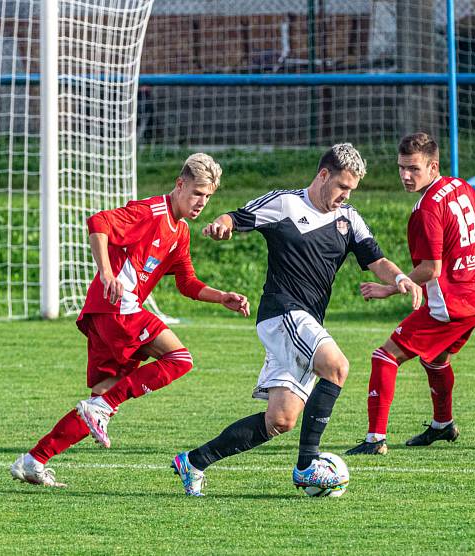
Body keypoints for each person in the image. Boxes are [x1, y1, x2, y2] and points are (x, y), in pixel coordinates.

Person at [171, 143, 423, 496]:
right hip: (283, 313)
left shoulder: (348, 220)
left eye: (351, 190)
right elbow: (238, 216)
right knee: (336, 366)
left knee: (281, 420)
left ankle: (194, 461)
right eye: (342, 187)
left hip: (306, 323)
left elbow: (376, 260)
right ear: (323, 175)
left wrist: (400, 279)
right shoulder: (285, 203)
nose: (345, 195)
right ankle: (307, 466)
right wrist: (220, 225)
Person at [10, 153, 250, 487]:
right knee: (179, 359)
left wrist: (220, 296)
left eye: (208, 197)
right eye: (197, 193)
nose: (201, 203)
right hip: (117, 308)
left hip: (106, 314)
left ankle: (34, 460)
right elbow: (98, 222)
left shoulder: (180, 232)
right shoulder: (151, 211)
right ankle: (103, 407)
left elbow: (187, 283)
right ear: (180, 184)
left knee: (101, 396)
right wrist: (107, 273)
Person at [345, 132, 475, 456]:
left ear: (433, 166)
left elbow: (430, 269)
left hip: (452, 301)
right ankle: (443, 425)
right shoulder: (461, 186)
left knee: (385, 356)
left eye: (414, 169)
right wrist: (467, 258)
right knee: (435, 358)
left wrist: (389, 288)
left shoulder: (427, 209)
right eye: (401, 168)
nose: (406, 176)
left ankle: (374, 440)